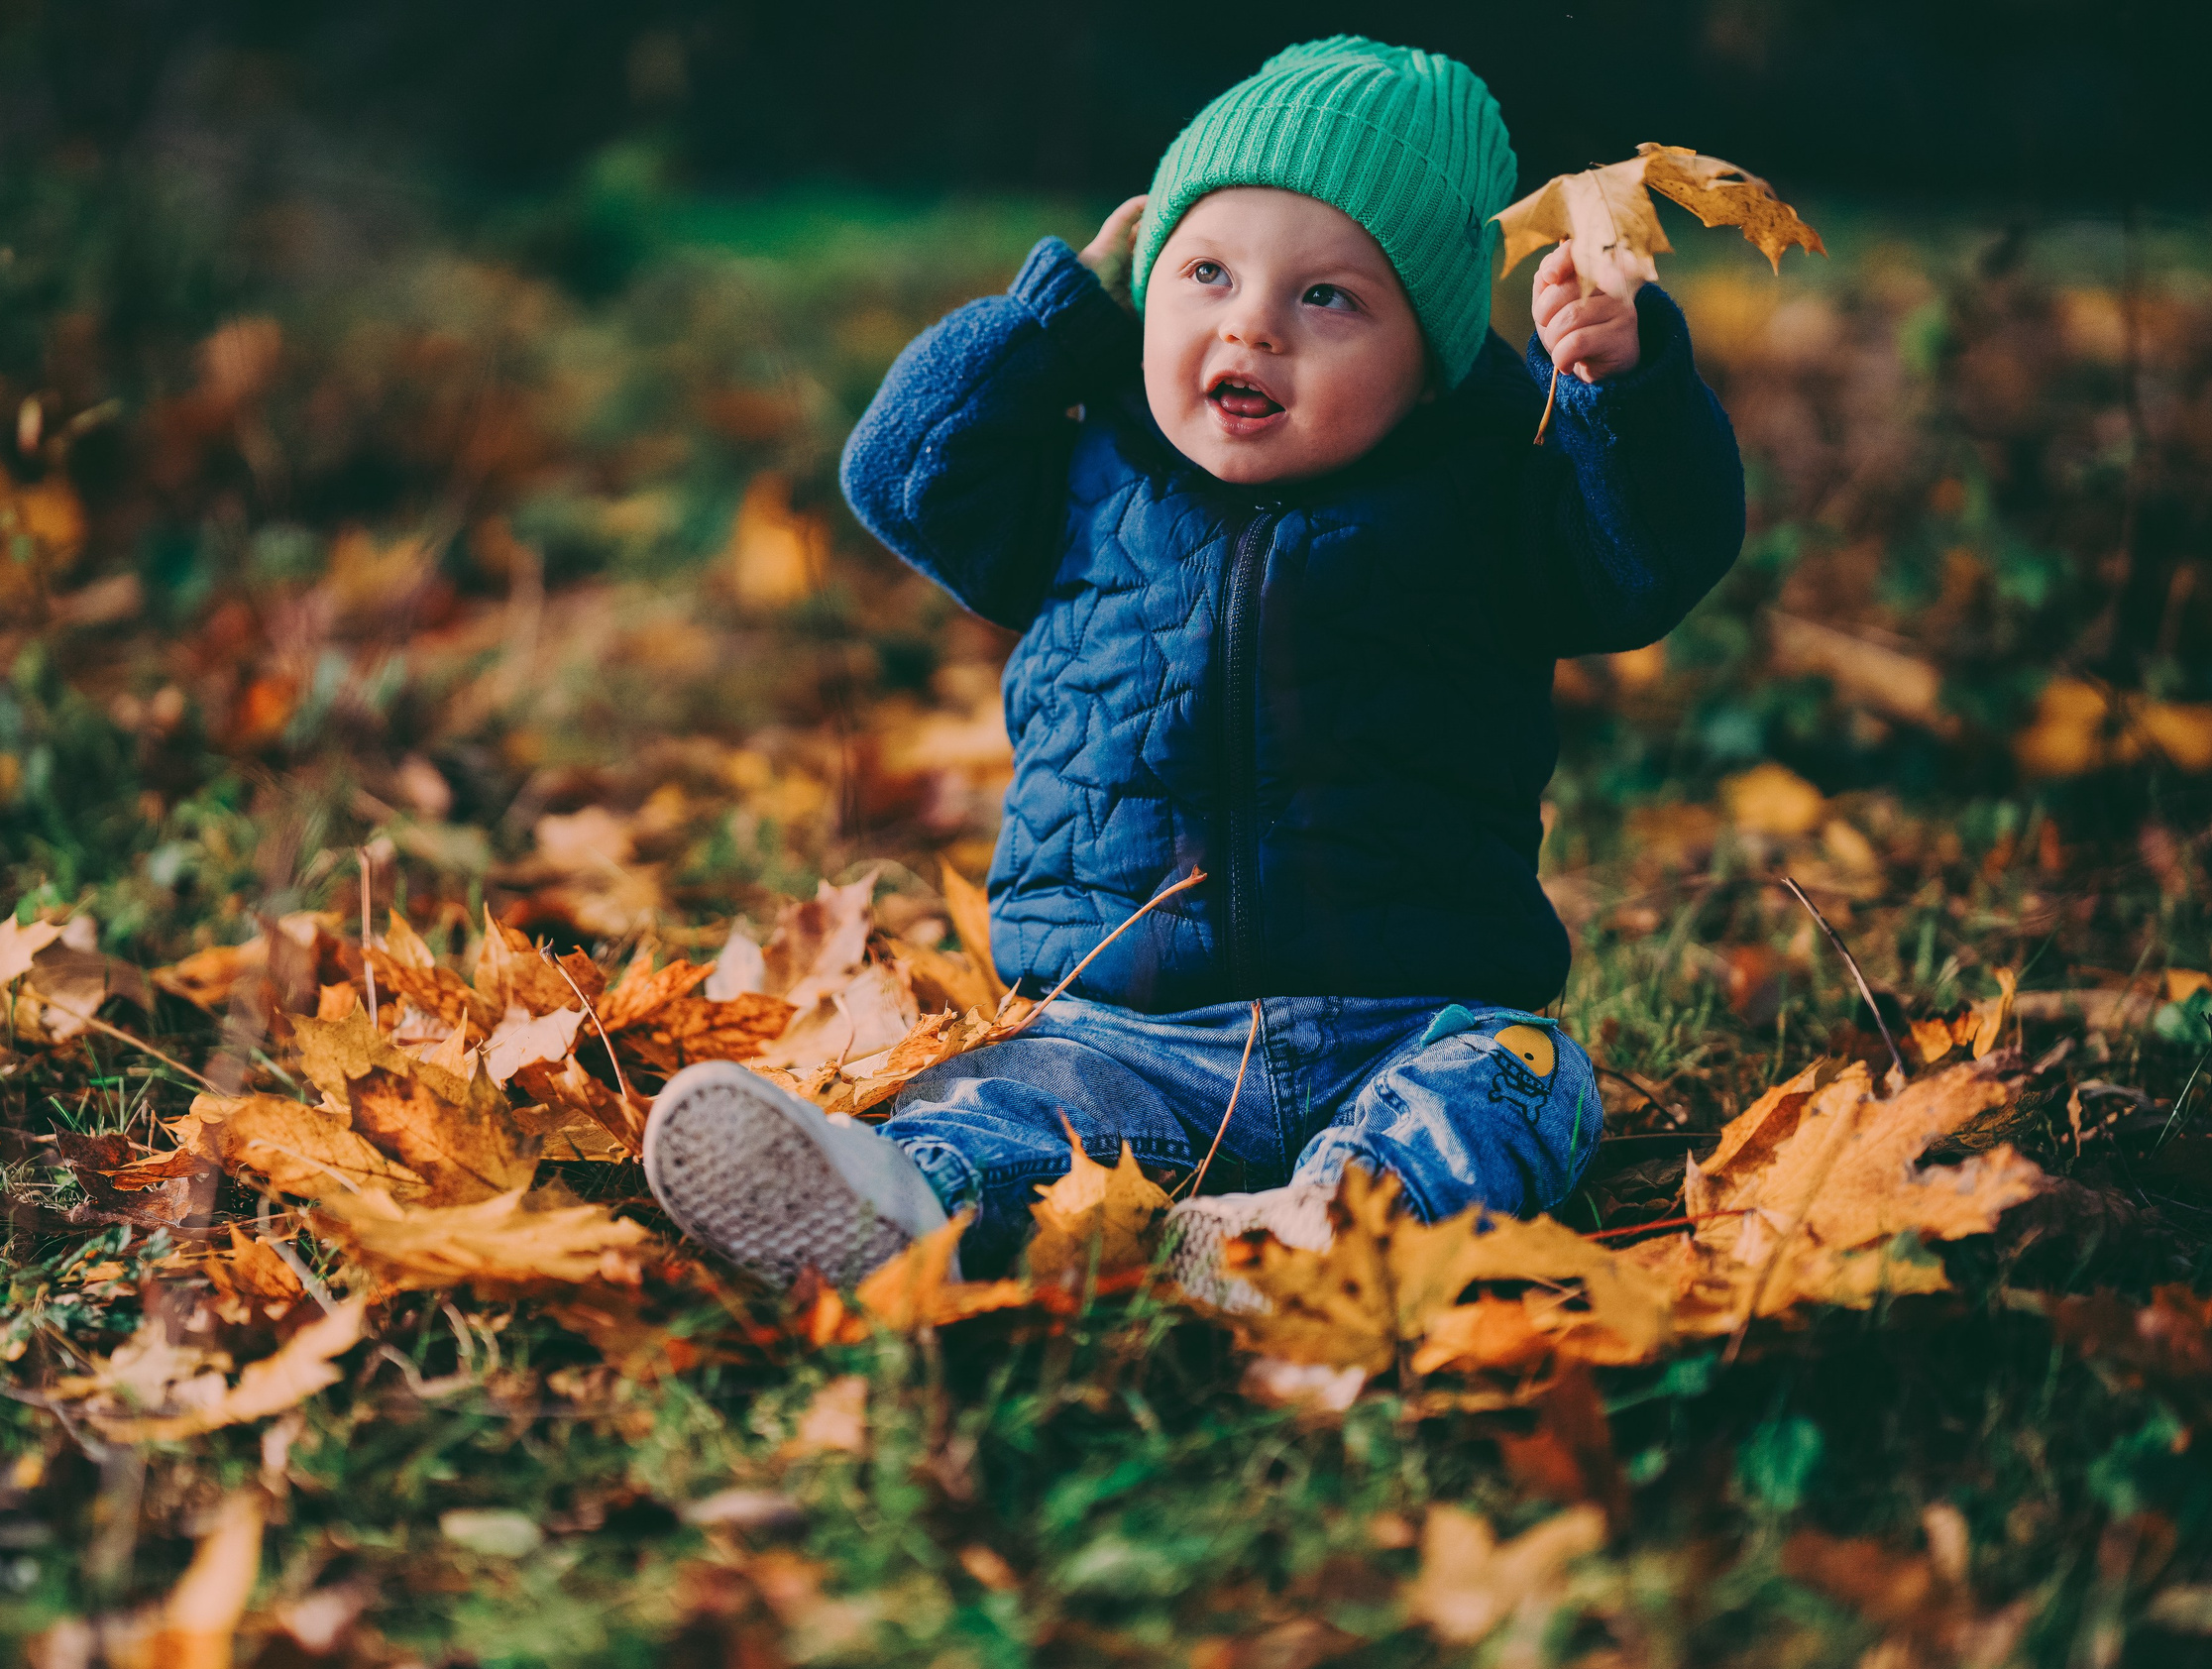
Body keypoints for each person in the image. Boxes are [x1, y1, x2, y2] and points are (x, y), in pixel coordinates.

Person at [642, 35, 1745, 1293]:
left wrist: (1630, 389)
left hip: (1410, 1018)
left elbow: (1651, 558)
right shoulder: (1085, 478)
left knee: (1523, 1086)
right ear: (1145, 289)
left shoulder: (1490, 493)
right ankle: (895, 1205)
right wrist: (1055, 321)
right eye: (1205, 271)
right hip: (1125, 1029)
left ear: (1429, 361)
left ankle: (1328, 1226)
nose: (1252, 324)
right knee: (995, 1108)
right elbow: (898, 473)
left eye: (1327, 298)